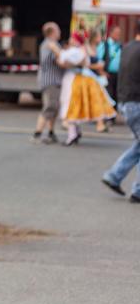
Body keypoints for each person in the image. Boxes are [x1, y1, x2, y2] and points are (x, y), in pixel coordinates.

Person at [102, 30, 140, 203]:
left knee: (138, 146)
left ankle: (115, 177)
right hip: (136, 103)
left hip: (126, 102)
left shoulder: (127, 47)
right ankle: (135, 189)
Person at [59, 31, 115, 146]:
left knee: (70, 105)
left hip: (74, 80)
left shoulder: (78, 51)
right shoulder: (80, 50)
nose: (70, 40)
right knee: (72, 106)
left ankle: (72, 134)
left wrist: (62, 58)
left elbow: (68, 62)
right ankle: (75, 132)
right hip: (76, 78)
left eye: (72, 38)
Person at [32, 22, 64, 144]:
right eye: (58, 30)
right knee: (50, 106)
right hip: (50, 81)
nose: (60, 32)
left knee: (55, 107)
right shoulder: (48, 45)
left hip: (55, 80)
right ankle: (37, 133)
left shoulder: (54, 44)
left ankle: (51, 132)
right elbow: (56, 60)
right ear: (52, 32)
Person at [96, 25, 122, 124]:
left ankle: (112, 116)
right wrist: (101, 72)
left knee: (115, 94)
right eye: (116, 33)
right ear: (111, 33)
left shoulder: (120, 46)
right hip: (106, 74)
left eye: (119, 33)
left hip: (118, 74)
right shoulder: (104, 45)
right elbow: (98, 59)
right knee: (107, 94)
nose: (118, 35)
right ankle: (106, 116)